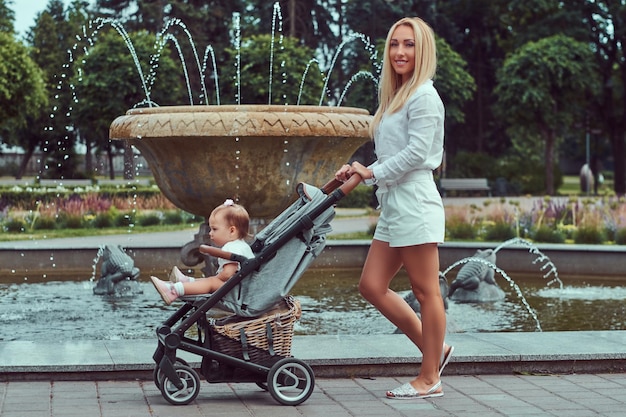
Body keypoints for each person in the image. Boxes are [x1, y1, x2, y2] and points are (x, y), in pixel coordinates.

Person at [335, 17, 453, 400]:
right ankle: (436, 349)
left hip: (415, 202)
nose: (400, 52)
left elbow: (419, 154)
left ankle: (429, 377)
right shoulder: (396, 96)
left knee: (426, 291)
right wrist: (357, 170)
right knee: (371, 285)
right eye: (395, 44)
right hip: (394, 204)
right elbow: (389, 153)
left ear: (423, 51)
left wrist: (371, 173)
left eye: (410, 45)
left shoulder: (424, 96)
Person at [150, 199, 254, 305]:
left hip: (237, 292)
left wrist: (216, 278)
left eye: (214, 229)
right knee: (210, 281)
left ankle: (173, 290)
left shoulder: (232, 247)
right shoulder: (241, 245)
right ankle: (187, 282)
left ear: (232, 231)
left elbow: (227, 273)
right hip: (242, 290)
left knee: (211, 282)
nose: (210, 233)